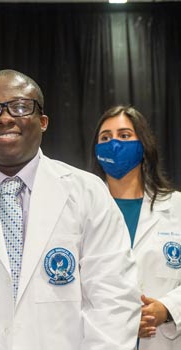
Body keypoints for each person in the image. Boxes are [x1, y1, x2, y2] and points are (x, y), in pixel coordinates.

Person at [0, 69, 140, 350]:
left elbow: (113, 298)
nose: (5, 118)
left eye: (19, 107)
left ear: (42, 121)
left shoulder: (88, 192)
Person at [91, 105, 181, 350]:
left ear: (143, 145)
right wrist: (121, 322)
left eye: (124, 135)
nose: (114, 144)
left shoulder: (177, 207)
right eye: (105, 137)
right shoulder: (81, 210)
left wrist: (167, 309)